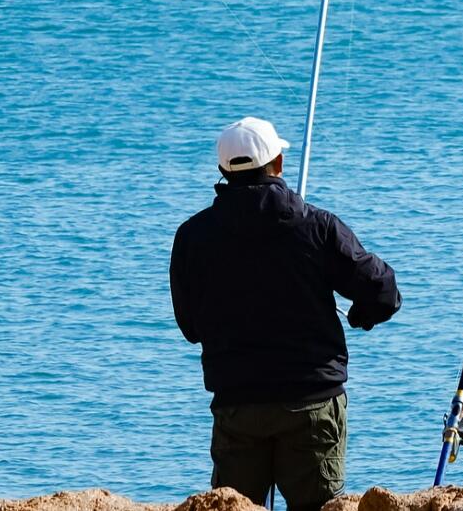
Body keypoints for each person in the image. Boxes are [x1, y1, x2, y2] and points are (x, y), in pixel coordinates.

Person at [170, 117, 401, 511]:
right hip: (312, 403)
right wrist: (358, 315)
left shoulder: (192, 236)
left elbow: (190, 326)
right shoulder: (318, 226)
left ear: (223, 171)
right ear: (277, 164)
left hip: (237, 404)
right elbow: (383, 292)